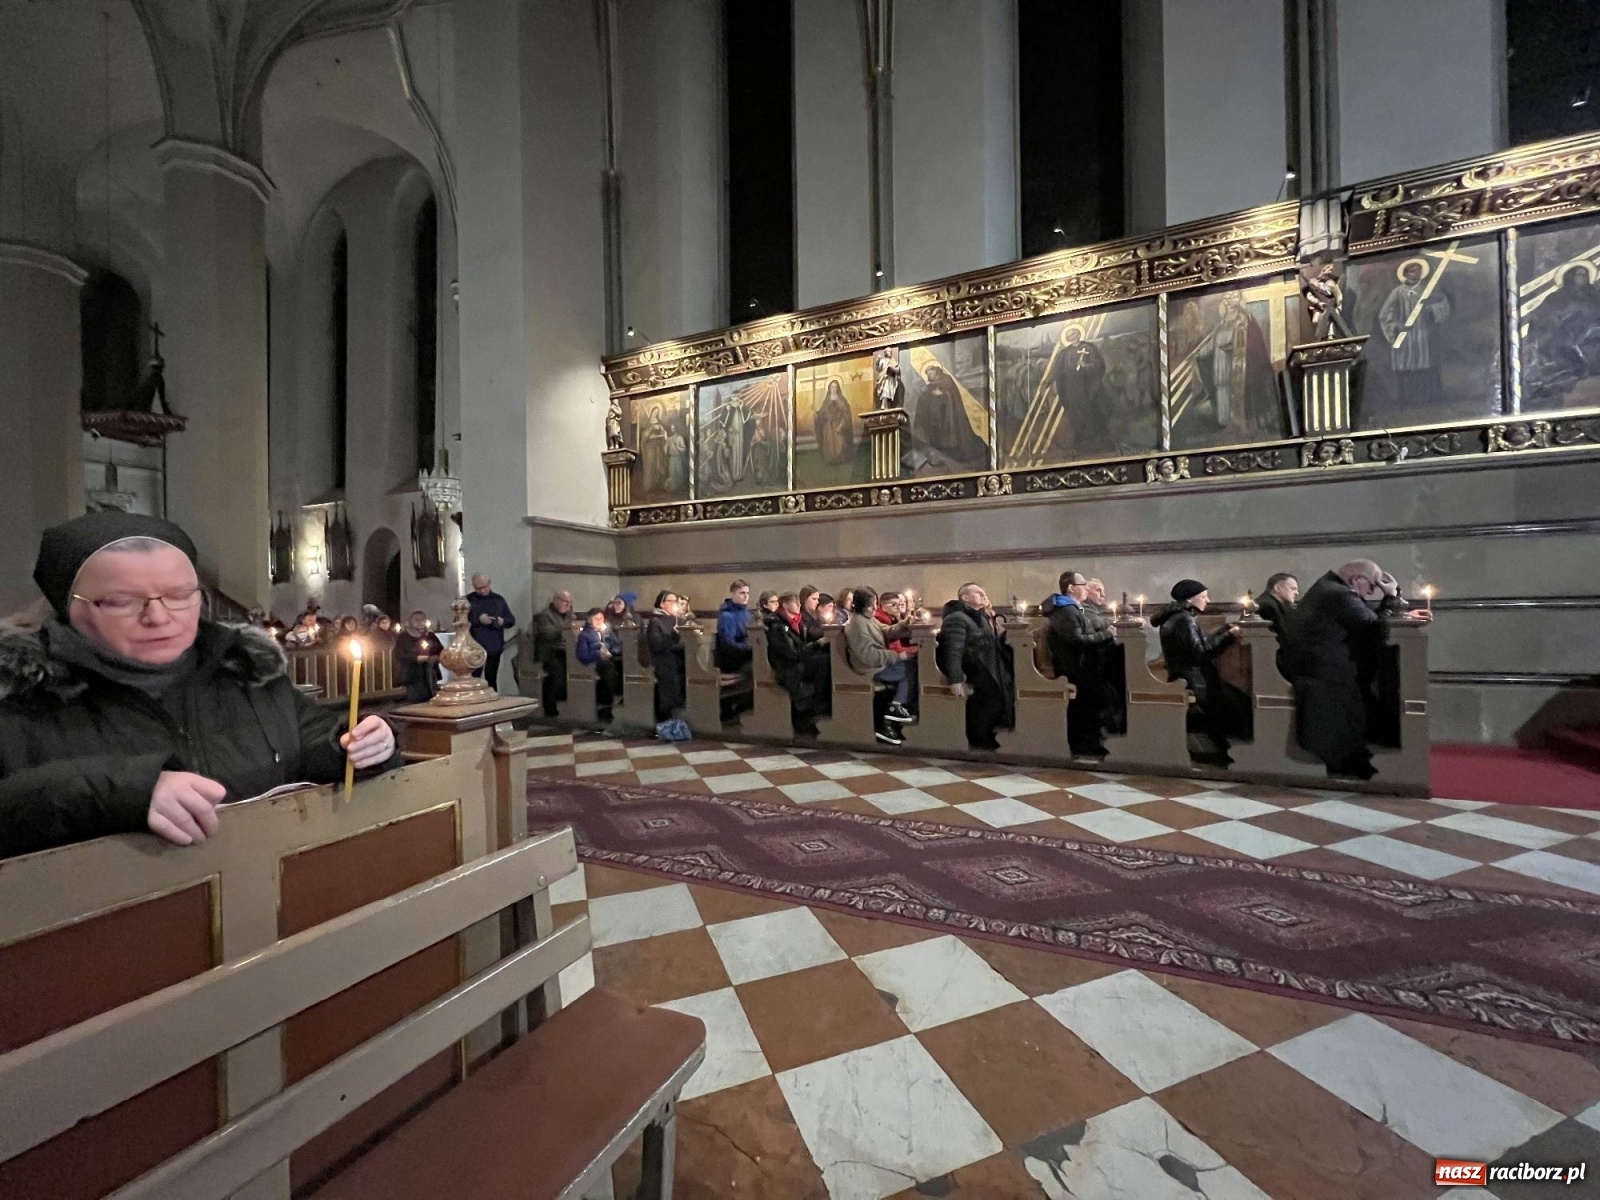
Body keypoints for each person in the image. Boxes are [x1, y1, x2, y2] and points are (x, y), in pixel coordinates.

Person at [0, 512, 400, 859]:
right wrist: (120, 793)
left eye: (179, 595)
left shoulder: (247, 676)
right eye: (121, 601)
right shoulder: (17, 698)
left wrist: (361, 743)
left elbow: (312, 739)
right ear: (66, 607)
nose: (158, 617)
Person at [1283, 560, 1428, 780]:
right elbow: (1371, 627)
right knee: (1364, 702)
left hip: (1319, 665)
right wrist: (1390, 597)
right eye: (1372, 586)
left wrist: (1398, 610)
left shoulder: (1328, 587)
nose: (1371, 592)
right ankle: (1350, 767)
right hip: (1326, 671)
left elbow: (1366, 620)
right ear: (1356, 579)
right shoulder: (1339, 593)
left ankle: (1359, 759)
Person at [1151, 580, 1240, 766]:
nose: (1208, 600)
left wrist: (1224, 630)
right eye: (1204, 597)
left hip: (1185, 675)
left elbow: (1197, 645)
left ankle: (1223, 750)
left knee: (1231, 701)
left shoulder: (1177, 617)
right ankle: (1225, 754)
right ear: (1191, 599)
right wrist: (1230, 636)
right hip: (1194, 680)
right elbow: (1201, 653)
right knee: (1230, 705)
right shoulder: (1184, 620)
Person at [1044, 570, 1115, 758]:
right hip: (1076, 667)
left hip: (1083, 665)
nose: (1085, 588)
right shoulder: (1065, 610)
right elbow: (1077, 640)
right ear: (1071, 588)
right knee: (1083, 707)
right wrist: (1107, 635)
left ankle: (1091, 742)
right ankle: (1083, 746)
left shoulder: (1073, 608)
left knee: (1091, 704)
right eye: (1082, 584)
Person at [936, 583, 1015, 752]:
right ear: (965, 597)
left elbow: (990, 642)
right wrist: (955, 679)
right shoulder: (957, 618)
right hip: (972, 669)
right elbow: (953, 650)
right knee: (987, 699)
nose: (984, 595)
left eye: (984, 593)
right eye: (978, 593)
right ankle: (979, 739)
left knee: (998, 696)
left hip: (987, 665)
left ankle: (990, 734)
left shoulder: (983, 617)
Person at [1378, 258, 1450, 411]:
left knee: (1425, 367)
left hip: (1424, 336)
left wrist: (1434, 310)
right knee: (1406, 369)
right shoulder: (1397, 292)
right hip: (1405, 337)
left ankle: (1429, 399)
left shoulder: (1428, 289)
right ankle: (1407, 401)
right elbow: (1385, 314)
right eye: (1412, 270)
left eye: (1418, 270)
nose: (1415, 273)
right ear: (1405, 274)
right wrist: (1395, 325)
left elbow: (1443, 304)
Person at [844, 588, 914, 744]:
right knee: (908, 669)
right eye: (872, 605)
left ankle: (896, 709)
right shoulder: (856, 624)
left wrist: (904, 624)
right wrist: (897, 656)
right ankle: (893, 708)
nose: (875, 608)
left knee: (911, 665)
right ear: (864, 606)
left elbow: (885, 631)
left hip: (878, 664)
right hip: (869, 669)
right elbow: (867, 656)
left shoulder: (867, 618)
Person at [764, 594, 829, 737]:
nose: (800, 605)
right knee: (822, 662)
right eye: (796, 603)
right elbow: (792, 654)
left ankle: (820, 706)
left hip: (797, 661)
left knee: (824, 659)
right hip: (787, 667)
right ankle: (815, 708)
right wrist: (817, 644)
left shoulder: (796, 623)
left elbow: (801, 648)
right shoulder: (778, 627)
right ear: (786, 605)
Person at [467, 573, 517, 692]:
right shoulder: (468, 600)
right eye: (479, 588)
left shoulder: (498, 600)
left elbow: (511, 620)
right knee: (474, 678)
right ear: (474, 587)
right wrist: (478, 620)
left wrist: (502, 621)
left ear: (489, 584)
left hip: (494, 645)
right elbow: (459, 620)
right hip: (475, 645)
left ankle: (493, 700)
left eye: (485, 586)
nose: (483, 590)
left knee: (492, 676)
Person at [643, 591, 686, 727]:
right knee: (670, 670)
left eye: (675, 601)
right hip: (660, 658)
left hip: (673, 655)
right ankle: (665, 713)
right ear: (661, 603)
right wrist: (673, 634)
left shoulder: (676, 619)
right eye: (670, 601)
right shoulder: (655, 621)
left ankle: (680, 708)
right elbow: (656, 645)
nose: (674, 604)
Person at [575, 607, 624, 722]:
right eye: (596, 618)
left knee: (623, 665)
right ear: (589, 620)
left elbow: (618, 646)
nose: (599, 621)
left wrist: (611, 651)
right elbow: (582, 655)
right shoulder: (585, 635)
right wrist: (598, 654)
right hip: (595, 663)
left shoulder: (607, 631)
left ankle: (621, 697)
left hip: (610, 659)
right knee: (608, 672)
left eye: (601, 618)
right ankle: (605, 708)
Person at [531, 591, 573, 717]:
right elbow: (548, 634)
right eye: (565, 602)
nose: (568, 605)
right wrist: (568, 630)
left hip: (563, 651)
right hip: (548, 653)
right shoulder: (545, 615)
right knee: (556, 676)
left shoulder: (567, 614)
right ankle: (550, 709)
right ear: (556, 600)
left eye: (570, 602)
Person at [393, 610, 440, 703]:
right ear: (411, 622)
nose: (420, 623)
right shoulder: (404, 636)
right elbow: (399, 654)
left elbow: (439, 649)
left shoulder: (430, 635)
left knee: (430, 700)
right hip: (412, 674)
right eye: (417, 620)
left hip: (429, 673)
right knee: (416, 701)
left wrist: (435, 657)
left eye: (422, 620)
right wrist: (416, 658)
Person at [715, 579, 754, 673]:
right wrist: (749, 647)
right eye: (742, 593)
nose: (746, 596)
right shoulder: (727, 616)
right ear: (732, 594)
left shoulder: (748, 614)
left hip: (747, 654)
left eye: (747, 593)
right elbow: (729, 644)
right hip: (734, 660)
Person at [815, 379, 855, 464]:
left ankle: (840, 459)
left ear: (838, 388)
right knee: (829, 444)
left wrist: (841, 424)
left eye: (835, 387)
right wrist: (817, 414)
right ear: (829, 388)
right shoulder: (827, 400)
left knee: (839, 445)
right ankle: (830, 460)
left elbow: (846, 412)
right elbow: (822, 412)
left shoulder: (841, 399)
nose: (833, 389)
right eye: (832, 387)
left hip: (838, 424)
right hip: (828, 427)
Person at [1256, 572, 1300, 638]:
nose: (1297, 593)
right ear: (1277, 588)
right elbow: (1283, 635)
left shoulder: (1272, 603)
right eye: (1293, 589)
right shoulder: (1267, 606)